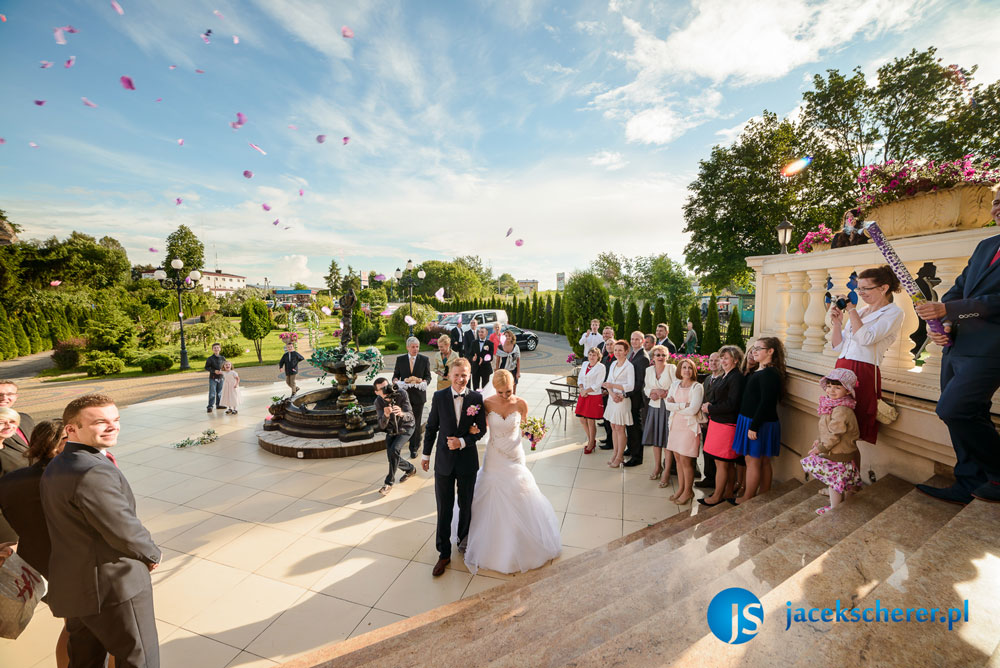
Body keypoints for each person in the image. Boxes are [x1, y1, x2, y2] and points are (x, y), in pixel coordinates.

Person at [41, 394, 161, 668]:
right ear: (71, 429)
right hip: (113, 586)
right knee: (139, 659)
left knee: (84, 660)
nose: (112, 427)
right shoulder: (92, 470)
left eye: (115, 420)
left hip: (76, 585)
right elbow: (122, 528)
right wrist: (152, 554)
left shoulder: (59, 464)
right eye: (100, 422)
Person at [914, 191, 1000, 503]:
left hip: (992, 347)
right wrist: (946, 321)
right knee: (969, 413)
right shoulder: (986, 245)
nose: (998, 207)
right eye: (996, 201)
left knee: (954, 409)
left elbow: (996, 302)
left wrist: (949, 312)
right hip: (957, 344)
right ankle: (970, 482)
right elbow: (959, 288)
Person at [458, 370, 561, 574]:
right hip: (495, 456)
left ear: (513, 385)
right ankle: (492, 543)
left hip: (515, 455)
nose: (506, 395)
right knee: (490, 495)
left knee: (519, 494)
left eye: (508, 391)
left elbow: (523, 428)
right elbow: (479, 427)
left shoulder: (521, 403)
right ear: (494, 389)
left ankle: (522, 542)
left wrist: (533, 434)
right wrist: (471, 430)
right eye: (501, 392)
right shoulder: (487, 404)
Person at [0, 419, 70, 667]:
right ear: (59, 443)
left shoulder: (11, 481)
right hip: (75, 565)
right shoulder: (66, 477)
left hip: (39, 563)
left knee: (72, 626)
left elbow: (14, 520)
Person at [421, 358, 488, 576]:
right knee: (444, 508)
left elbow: (482, 431)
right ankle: (443, 553)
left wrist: (463, 442)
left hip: (467, 461)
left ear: (469, 375)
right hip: (444, 462)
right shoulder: (439, 397)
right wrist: (425, 454)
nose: (460, 379)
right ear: (449, 375)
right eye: (457, 374)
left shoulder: (477, 398)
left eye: (464, 375)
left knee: (466, 505)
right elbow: (431, 427)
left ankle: (463, 540)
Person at [828, 265, 904, 451]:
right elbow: (838, 346)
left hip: (863, 371)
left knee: (852, 431)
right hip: (842, 367)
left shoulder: (893, 313)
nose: (860, 293)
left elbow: (866, 338)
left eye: (865, 288)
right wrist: (837, 324)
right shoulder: (861, 312)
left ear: (883, 288)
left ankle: (849, 476)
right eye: (858, 288)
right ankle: (839, 474)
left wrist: (851, 310)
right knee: (837, 425)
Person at [731, 337, 786, 505]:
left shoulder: (770, 373)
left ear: (770, 351)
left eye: (758, 348)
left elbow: (766, 402)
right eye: (753, 348)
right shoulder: (761, 370)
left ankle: (748, 497)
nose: (754, 351)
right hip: (752, 421)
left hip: (757, 423)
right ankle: (763, 494)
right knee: (760, 461)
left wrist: (754, 426)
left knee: (753, 461)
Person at [801, 369, 862, 515]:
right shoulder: (833, 405)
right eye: (829, 386)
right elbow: (827, 429)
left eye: (837, 387)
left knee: (834, 483)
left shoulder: (841, 409)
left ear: (847, 391)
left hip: (838, 452)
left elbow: (835, 434)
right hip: (837, 450)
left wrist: (821, 447)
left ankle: (834, 509)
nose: (831, 390)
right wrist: (819, 440)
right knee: (841, 482)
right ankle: (843, 505)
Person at [699, 345, 745, 506]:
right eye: (722, 358)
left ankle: (717, 496)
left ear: (736, 360)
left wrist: (710, 408)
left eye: (726, 358)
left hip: (727, 424)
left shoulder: (736, 377)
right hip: (718, 423)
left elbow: (732, 404)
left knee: (723, 463)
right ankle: (726, 491)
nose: (723, 361)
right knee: (724, 462)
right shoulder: (724, 376)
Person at [662, 358, 704, 503]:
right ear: (679, 370)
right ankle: (681, 488)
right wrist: (682, 405)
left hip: (688, 428)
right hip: (675, 426)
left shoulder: (697, 387)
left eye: (690, 368)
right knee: (678, 460)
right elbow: (667, 405)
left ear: (693, 371)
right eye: (684, 367)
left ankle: (688, 491)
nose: (687, 370)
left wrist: (677, 405)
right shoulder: (675, 384)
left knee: (686, 461)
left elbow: (693, 409)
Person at [374, 378, 418, 496]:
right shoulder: (378, 402)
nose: (386, 389)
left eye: (387, 386)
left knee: (394, 450)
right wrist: (386, 415)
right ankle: (410, 469)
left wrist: (402, 413)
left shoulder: (401, 393)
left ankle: (388, 483)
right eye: (382, 389)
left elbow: (411, 415)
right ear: (376, 392)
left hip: (406, 427)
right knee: (391, 456)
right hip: (392, 430)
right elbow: (382, 425)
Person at [391, 337, 432, 459]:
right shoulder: (400, 359)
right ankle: (413, 441)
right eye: (413, 347)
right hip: (404, 397)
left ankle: (414, 448)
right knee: (406, 421)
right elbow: (396, 376)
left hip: (419, 397)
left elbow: (428, 377)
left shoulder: (424, 360)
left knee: (417, 421)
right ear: (408, 347)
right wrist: (396, 381)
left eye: (417, 347)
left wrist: (424, 382)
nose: (415, 349)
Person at [643, 345, 677, 481]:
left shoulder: (671, 369)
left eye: (663, 355)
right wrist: (652, 393)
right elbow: (646, 387)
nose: (660, 357)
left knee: (667, 441)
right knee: (656, 440)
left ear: (667, 357)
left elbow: (677, 385)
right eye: (657, 355)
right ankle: (657, 467)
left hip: (667, 408)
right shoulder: (649, 370)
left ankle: (667, 471)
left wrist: (665, 393)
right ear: (653, 357)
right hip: (654, 406)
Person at [601, 340, 634, 468]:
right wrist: (612, 393)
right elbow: (608, 382)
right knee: (613, 426)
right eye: (616, 350)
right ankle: (615, 453)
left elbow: (630, 386)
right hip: (613, 398)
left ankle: (620, 456)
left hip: (622, 400)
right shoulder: (614, 363)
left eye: (620, 350)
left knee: (620, 428)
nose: (617, 352)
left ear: (626, 351)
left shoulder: (629, 366)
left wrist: (614, 388)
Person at [694, 352, 723, 490]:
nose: (713, 363)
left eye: (716, 360)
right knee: (706, 449)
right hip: (706, 420)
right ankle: (709, 477)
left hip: (718, 420)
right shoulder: (707, 379)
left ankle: (716, 479)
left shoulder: (724, 379)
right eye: (711, 360)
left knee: (716, 451)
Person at [623, 331, 650, 467]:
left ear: (643, 341)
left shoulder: (643, 358)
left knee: (635, 427)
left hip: (635, 398)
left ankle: (637, 457)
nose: (634, 341)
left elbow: (639, 382)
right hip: (630, 397)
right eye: (632, 339)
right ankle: (631, 448)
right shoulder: (633, 354)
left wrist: (625, 394)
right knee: (630, 425)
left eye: (637, 339)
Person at [575, 347, 606, 454]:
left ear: (598, 357)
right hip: (583, 394)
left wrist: (586, 390)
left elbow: (598, 384)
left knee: (590, 421)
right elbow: (580, 378)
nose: (592, 357)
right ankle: (591, 440)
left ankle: (591, 443)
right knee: (582, 420)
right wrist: (582, 389)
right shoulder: (584, 364)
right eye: (590, 355)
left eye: (594, 355)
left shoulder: (601, 367)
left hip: (593, 395)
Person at [0, 379, 33, 471]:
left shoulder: (25, 419)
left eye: (10, 394)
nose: (4, 398)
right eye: (0, 394)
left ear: (16, 396)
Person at [469, 326, 495, 391]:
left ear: (486, 333)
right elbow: (469, 354)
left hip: (485, 368)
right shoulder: (474, 343)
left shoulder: (490, 344)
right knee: (475, 388)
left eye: (482, 332)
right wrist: (472, 358)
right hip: (475, 368)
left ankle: (484, 400)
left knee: (485, 388)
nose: (480, 333)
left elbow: (491, 357)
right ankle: (476, 400)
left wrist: (483, 360)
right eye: (479, 332)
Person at [204, 342, 227, 413]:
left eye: (217, 348)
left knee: (220, 392)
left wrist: (223, 370)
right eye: (214, 348)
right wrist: (214, 371)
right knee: (212, 392)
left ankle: (219, 404)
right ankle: (210, 406)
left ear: (220, 349)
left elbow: (225, 366)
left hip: (221, 377)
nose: (216, 349)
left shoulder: (222, 358)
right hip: (213, 378)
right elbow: (206, 367)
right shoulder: (210, 359)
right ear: (212, 350)